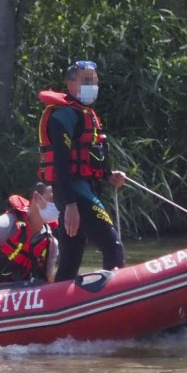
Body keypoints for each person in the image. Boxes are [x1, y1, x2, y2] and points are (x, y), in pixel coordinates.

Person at [37, 59, 126, 281]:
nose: (92, 86)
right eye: (86, 81)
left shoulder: (85, 114)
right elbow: (61, 164)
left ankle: (58, 307)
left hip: (81, 191)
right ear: (70, 85)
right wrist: (70, 205)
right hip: (72, 194)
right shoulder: (63, 115)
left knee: (71, 257)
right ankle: (115, 305)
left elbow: (88, 159)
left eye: (94, 81)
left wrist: (108, 175)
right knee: (112, 245)